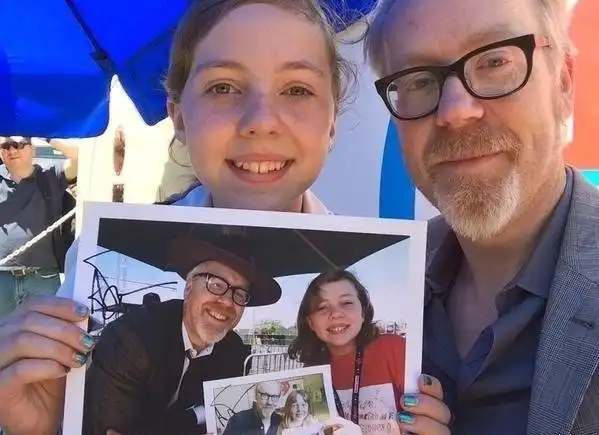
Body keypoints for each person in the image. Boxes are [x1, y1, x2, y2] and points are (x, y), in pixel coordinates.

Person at [0, 1, 447, 434]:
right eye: (223, 87)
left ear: (332, 122)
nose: (261, 121)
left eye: (297, 89)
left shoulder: (417, 294)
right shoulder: (100, 281)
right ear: (178, 117)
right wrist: (42, 427)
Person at [365, 0, 599, 434]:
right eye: (419, 79)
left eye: (494, 61)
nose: (456, 110)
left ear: (563, 83)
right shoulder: (375, 283)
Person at [83, 233, 283, 435]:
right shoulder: (131, 338)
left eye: (239, 294)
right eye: (216, 284)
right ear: (189, 288)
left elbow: (222, 419)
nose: (227, 302)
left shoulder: (233, 351)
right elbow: (108, 430)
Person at [288, 269, 409, 434]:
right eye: (322, 307)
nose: (336, 314)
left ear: (363, 311)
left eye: (346, 303)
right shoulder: (311, 375)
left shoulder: (394, 349)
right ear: (310, 322)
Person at [0, 136, 78, 317]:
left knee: (47, 330)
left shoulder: (50, 177)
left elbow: (79, 157)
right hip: (2, 279)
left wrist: (45, 134)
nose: (12, 151)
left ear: (32, 149)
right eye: (6, 146)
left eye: (18, 145)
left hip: (42, 278)